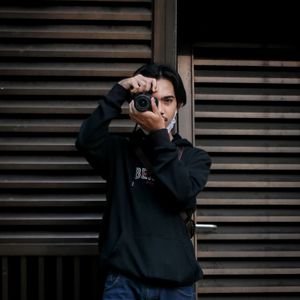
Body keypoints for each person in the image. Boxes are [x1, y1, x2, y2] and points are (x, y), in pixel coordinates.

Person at [75, 63, 211, 300]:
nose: (160, 109)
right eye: (152, 99)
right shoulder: (121, 152)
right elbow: (86, 140)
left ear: (179, 105)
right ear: (138, 101)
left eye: (168, 101)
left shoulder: (194, 157)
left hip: (176, 285)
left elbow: (182, 192)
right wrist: (119, 90)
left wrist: (159, 135)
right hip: (125, 281)